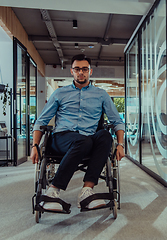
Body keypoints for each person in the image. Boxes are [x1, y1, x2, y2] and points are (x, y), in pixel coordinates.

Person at [30, 54, 125, 211]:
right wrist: (35, 145)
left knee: (105, 136)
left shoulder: (101, 94)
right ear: (71, 71)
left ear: (90, 71)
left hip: (88, 140)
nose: (81, 72)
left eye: (84, 69)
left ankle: (87, 191)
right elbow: (41, 121)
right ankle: (53, 189)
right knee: (83, 141)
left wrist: (120, 144)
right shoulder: (60, 93)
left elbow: (117, 121)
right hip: (62, 139)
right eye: (77, 69)